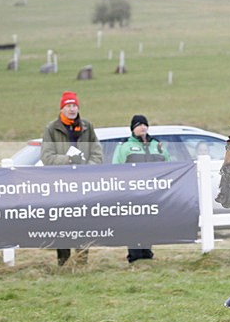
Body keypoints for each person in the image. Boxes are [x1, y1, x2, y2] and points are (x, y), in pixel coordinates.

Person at [40, 90, 103, 266]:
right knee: (62, 223)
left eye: (74, 105)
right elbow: (47, 157)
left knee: (83, 222)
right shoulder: (51, 129)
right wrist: (67, 159)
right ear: (62, 108)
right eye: (68, 105)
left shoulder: (87, 127)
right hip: (61, 185)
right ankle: (64, 262)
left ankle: (82, 261)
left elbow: (97, 153)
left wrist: (88, 169)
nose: (72, 109)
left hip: (83, 185)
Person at [112, 114, 171, 263]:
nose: (142, 127)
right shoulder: (124, 146)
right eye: (139, 125)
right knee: (133, 224)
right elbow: (116, 168)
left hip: (152, 193)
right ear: (133, 128)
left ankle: (147, 252)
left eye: (144, 124)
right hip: (132, 193)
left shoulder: (157, 145)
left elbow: (169, 165)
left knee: (149, 223)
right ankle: (134, 255)